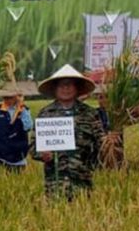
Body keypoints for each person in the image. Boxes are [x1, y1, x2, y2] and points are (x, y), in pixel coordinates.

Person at [31, 64, 104, 200]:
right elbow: (33, 147)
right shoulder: (45, 114)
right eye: (62, 85)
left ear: (77, 88)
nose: (66, 88)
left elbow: (101, 144)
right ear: (55, 89)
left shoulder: (90, 114)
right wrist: (42, 155)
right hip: (54, 184)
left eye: (70, 85)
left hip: (83, 183)